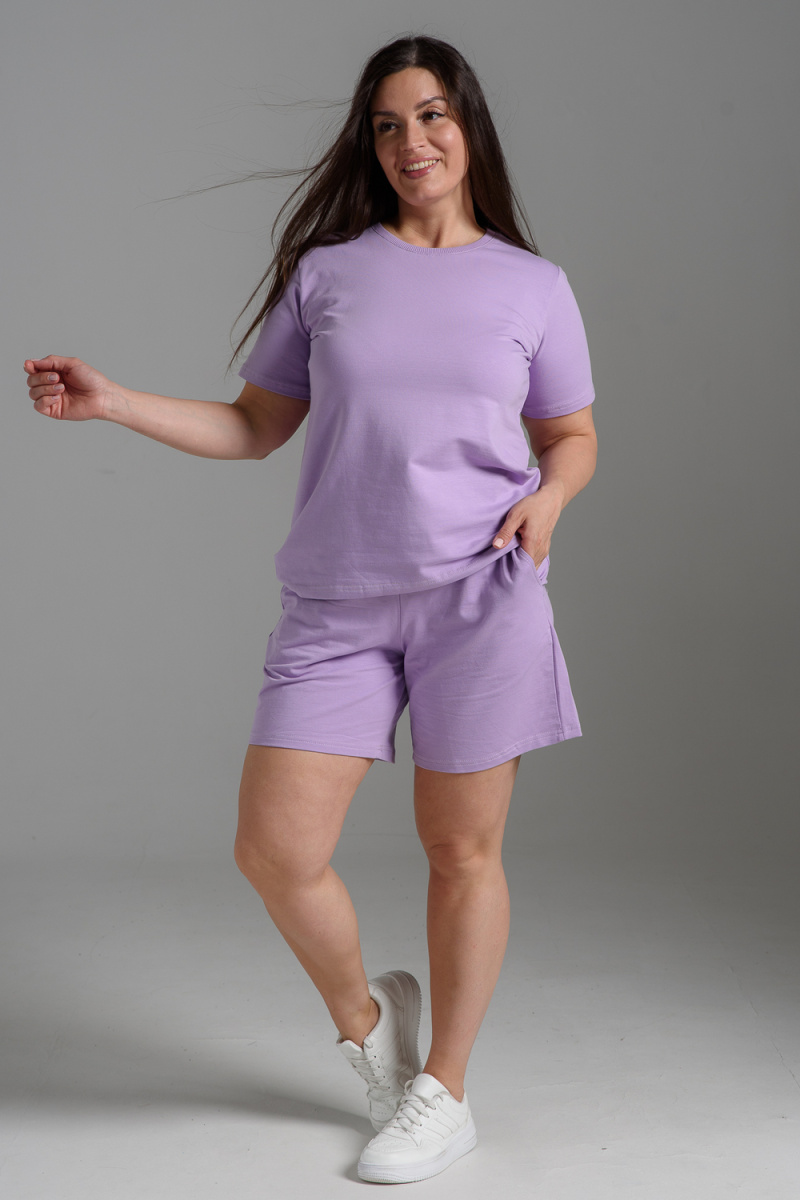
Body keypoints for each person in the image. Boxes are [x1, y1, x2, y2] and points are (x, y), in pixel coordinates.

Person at [24, 33, 597, 1185]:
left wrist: (549, 501)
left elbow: (570, 435)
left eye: (429, 116)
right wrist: (114, 403)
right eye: (385, 125)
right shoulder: (328, 273)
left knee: (460, 851)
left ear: (467, 126)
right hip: (336, 609)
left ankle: (445, 1092)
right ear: (366, 144)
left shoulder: (531, 286)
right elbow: (254, 426)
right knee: (274, 851)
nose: (409, 143)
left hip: (478, 599)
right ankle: (372, 1030)